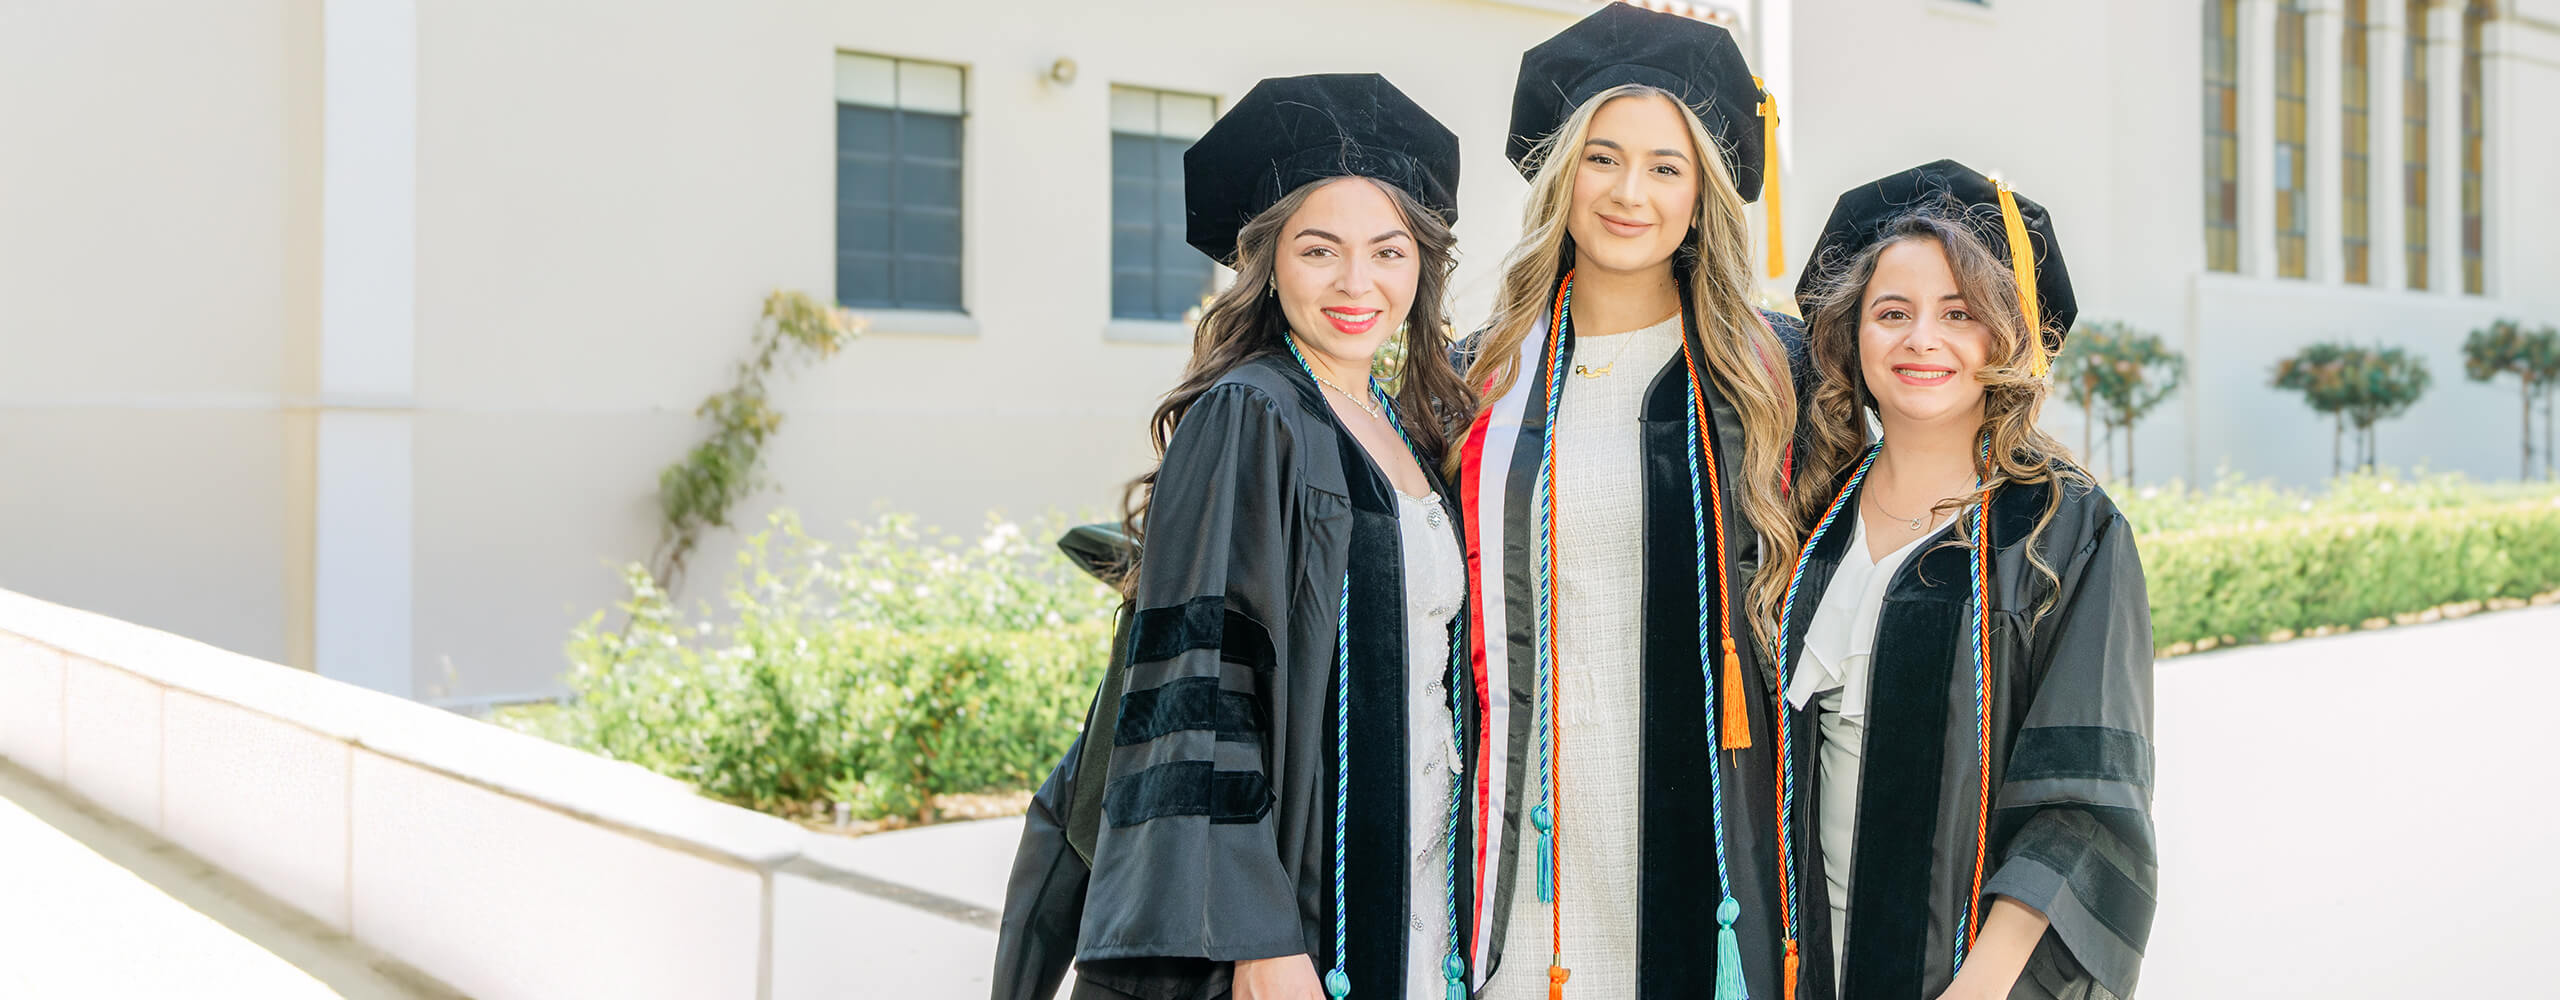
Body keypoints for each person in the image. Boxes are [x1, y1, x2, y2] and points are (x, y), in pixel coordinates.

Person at [991, 73, 1481, 1000]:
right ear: (1268, 263)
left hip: (1413, 880)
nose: (1357, 283)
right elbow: (1203, 693)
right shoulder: (1250, 412)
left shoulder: (1402, 419)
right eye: (1318, 250)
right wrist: (1257, 933)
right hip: (1297, 907)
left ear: (1422, 266)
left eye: (1388, 251)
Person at [1452, 5, 1806, 998]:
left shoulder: (1774, 376)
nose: (1629, 193)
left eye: (1665, 166)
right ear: (1562, 173)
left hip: (1712, 851)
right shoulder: (1476, 379)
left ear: (1703, 194)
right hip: (1519, 849)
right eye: (1603, 158)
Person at [1773, 160, 2156, 1000]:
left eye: (1959, 314)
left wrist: (1976, 989)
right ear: (1852, 337)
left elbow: (2084, 807)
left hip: (1970, 979)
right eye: (1892, 314)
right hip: (1801, 966)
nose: (1922, 340)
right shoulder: (1808, 517)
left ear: (2006, 337)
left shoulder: (2064, 530)